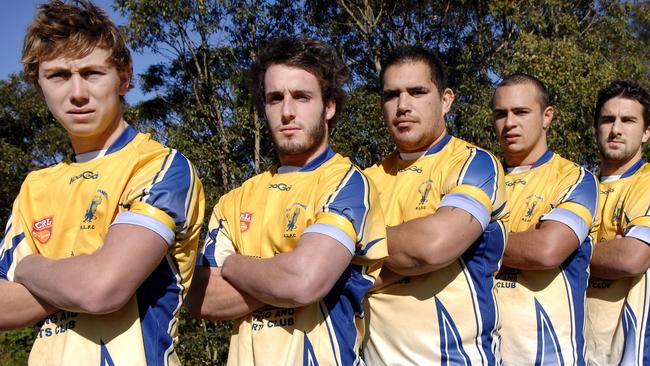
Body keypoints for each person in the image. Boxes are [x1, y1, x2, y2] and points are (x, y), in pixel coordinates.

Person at [0, 1, 204, 364]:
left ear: (123, 77)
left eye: (92, 73)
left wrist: (26, 267)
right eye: (58, 75)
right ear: (38, 84)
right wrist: (81, 276)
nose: (77, 92)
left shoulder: (160, 166)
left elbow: (101, 288)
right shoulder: (34, 186)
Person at [187, 37, 387, 365]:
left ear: (330, 105)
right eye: (275, 98)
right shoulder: (233, 200)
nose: (287, 111)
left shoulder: (347, 183)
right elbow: (201, 299)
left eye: (302, 97)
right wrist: (282, 272)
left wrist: (233, 264)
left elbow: (303, 282)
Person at [362, 46, 508, 364]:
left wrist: (351, 251)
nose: (403, 105)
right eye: (391, 95)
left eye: (417, 92)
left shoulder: (474, 164)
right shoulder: (361, 182)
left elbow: (431, 246)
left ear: (445, 100)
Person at [491, 74, 599, 364]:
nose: (509, 123)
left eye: (521, 112)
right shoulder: (481, 178)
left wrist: (462, 240)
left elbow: (545, 250)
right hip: (483, 353)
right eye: (501, 114)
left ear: (546, 116)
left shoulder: (575, 179)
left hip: (549, 356)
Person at [586, 80, 650, 365]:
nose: (616, 129)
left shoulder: (646, 182)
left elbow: (631, 257)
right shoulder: (577, 186)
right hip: (575, 347)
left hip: (632, 352)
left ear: (646, 132)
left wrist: (558, 249)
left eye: (628, 120)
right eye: (608, 119)